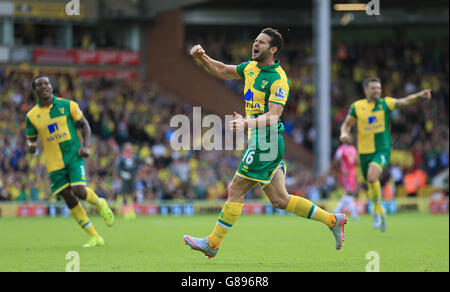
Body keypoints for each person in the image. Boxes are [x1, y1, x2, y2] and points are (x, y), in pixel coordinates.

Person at [184, 28, 346, 258]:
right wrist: (202, 57)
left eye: (261, 42)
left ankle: (213, 242)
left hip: (266, 141)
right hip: (262, 140)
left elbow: (273, 116)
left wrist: (246, 125)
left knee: (237, 188)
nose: (255, 45)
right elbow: (222, 70)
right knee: (280, 199)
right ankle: (332, 220)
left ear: (273, 49)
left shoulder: (278, 79)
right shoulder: (251, 68)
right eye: (255, 41)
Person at [25, 75, 115, 247]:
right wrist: (31, 145)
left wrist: (87, 146)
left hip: (73, 155)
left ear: (51, 87)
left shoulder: (68, 105)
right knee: (68, 197)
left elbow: (85, 125)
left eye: (47, 83)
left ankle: (100, 203)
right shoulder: (31, 116)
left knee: (79, 190)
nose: (44, 86)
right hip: (53, 163)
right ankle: (95, 236)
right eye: (39, 85)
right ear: (35, 90)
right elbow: (31, 139)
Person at [340, 77, 431, 232]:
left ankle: (375, 210)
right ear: (366, 90)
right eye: (373, 88)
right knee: (371, 183)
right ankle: (381, 211)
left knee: (371, 177)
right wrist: (344, 133)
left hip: (382, 149)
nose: (377, 91)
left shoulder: (385, 103)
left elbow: (405, 101)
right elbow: (346, 124)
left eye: (379, 88)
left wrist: (419, 96)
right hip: (364, 152)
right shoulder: (357, 106)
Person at [333, 140, 359, 219]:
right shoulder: (341, 149)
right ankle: (353, 212)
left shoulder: (353, 149)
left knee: (349, 193)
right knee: (349, 192)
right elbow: (336, 160)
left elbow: (356, 161)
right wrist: (340, 170)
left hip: (352, 173)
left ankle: (336, 210)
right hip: (345, 172)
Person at [116, 142, 141, 219]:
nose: (129, 150)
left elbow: (140, 161)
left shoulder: (134, 156)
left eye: (130, 149)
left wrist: (147, 160)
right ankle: (126, 212)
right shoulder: (122, 158)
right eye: (127, 149)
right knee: (125, 195)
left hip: (132, 178)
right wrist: (122, 173)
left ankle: (132, 211)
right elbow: (118, 168)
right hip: (125, 179)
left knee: (135, 194)